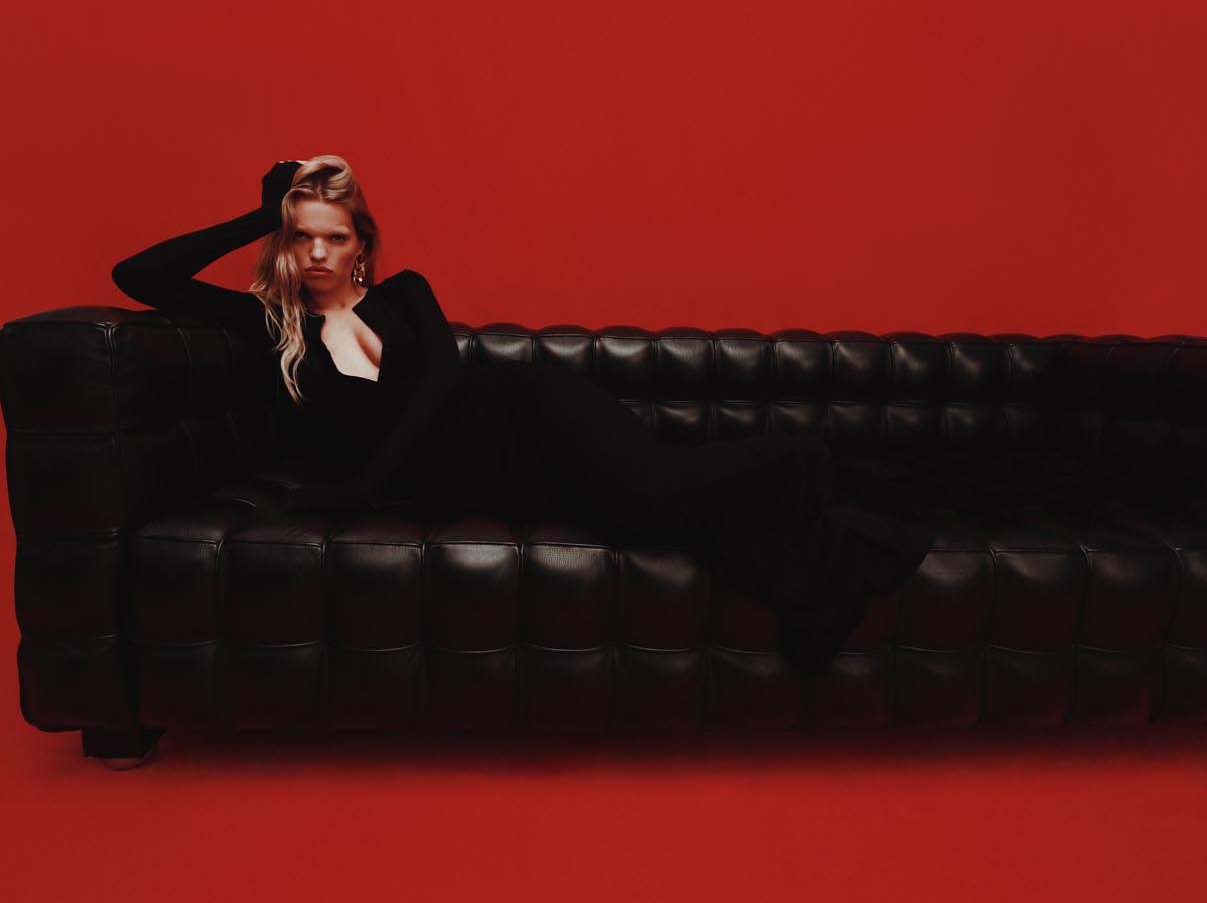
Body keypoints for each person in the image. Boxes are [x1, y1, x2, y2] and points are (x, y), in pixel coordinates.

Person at [110, 156, 937, 673]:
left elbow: (440, 389)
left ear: (362, 248)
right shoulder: (271, 324)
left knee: (651, 498)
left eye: (335, 237)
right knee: (658, 512)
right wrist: (259, 216)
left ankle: (800, 458)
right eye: (300, 238)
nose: (318, 253)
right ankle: (811, 509)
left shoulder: (405, 294)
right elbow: (138, 276)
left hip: (533, 414)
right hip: (508, 478)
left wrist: (362, 486)